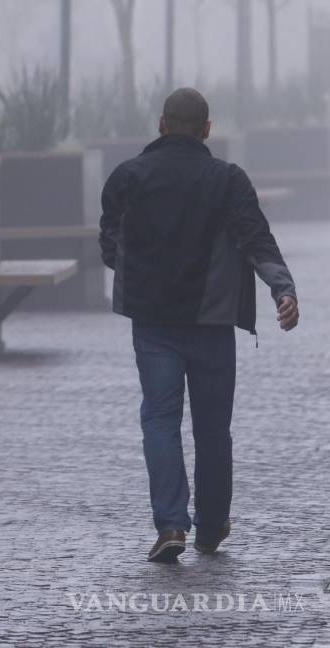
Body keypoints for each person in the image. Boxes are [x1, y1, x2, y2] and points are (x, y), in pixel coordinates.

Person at [99, 88, 299, 563]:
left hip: (153, 321)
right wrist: (283, 289)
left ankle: (171, 524)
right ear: (207, 129)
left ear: (162, 124)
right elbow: (257, 239)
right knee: (213, 428)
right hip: (211, 321)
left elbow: (110, 246)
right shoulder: (227, 180)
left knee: (160, 419)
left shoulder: (128, 177)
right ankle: (210, 527)